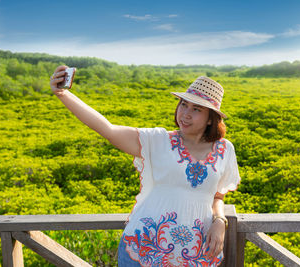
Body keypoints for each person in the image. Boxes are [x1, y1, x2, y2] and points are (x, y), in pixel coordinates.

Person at [50, 65, 241, 266]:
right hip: (143, 249)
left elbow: (217, 196)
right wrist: (63, 94)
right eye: (183, 104)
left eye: (196, 109)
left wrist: (220, 221)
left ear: (211, 118)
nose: (185, 114)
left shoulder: (224, 150)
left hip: (197, 254)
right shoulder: (157, 141)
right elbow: (107, 129)